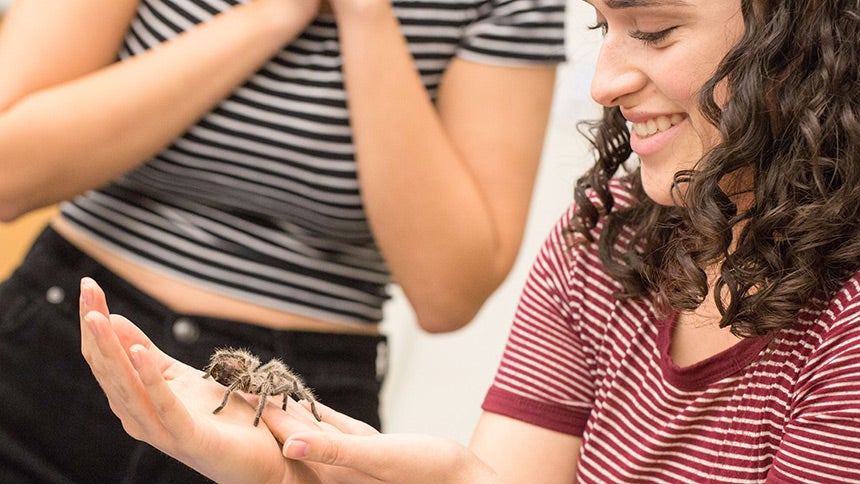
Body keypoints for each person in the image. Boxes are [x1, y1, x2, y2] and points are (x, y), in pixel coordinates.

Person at [81, 0, 860, 482]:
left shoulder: (845, 326)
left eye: (653, 33)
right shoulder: (606, 237)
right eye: (601, 28)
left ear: (809, 30)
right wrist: (287, 477)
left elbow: (447, 296)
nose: (602, 81)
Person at [0, 0, 566, 482]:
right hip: (59, 342)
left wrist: (365, 16)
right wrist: (271, 16)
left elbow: (447, 294)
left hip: (288, 409)